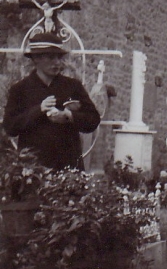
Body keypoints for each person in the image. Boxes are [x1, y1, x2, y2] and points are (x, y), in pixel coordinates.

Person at [3, 32, 101, 170]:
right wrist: (39, 110)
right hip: (32, 169)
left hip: (68, 166)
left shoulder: (73, 86)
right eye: (51, 57)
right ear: (36, 58)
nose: (57, 62)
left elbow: (93, 119)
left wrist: (69, 116)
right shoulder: (20, 89)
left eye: (59, 57)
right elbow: (10, 127)